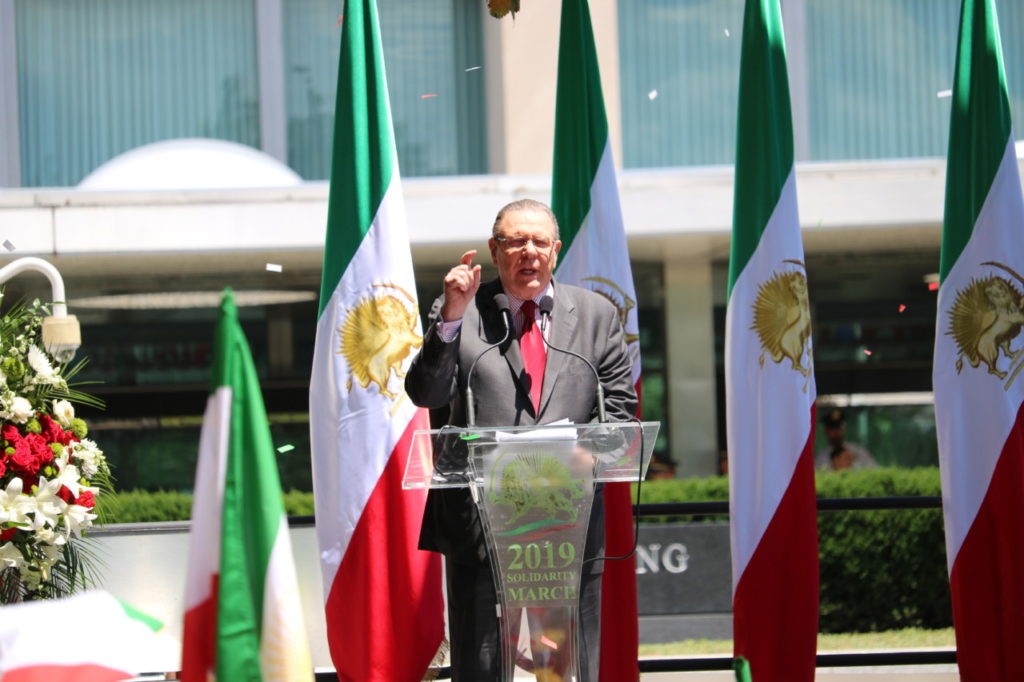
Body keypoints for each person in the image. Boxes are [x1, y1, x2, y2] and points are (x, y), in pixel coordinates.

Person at [404, 198, 637, 681]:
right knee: (484, 667)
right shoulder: (461, 314)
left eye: (538, 241)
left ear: (554, 250)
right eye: (515, 241)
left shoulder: (595, 316)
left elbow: (619, 417)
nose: (527, 251)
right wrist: (450, 314)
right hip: (481, 529)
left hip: (565, 529)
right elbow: (427, 393)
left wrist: (575, 457)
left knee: (564, 669)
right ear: (495, 250)